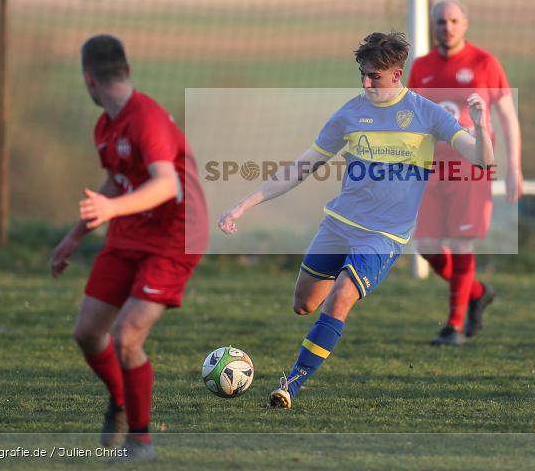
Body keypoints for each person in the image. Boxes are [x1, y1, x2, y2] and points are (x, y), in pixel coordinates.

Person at [218, 32, 493, 409]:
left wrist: (479, 125)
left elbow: (482, 159)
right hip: (338, 225)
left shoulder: (427, 113)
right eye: (362, 75)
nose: (366, 83)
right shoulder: (349, 113)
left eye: (374, 77)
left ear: (396, 74)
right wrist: (243, 206)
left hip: (384, 236)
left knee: (341, 297)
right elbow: (301, 167)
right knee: (303, 304)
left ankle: (291, 384)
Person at [50, 35, 208, 461]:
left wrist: (110, 208)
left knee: (127, 336)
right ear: (126, 70)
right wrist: (75, 235)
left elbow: (166, 184)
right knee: (87, 333)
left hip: (176, 234)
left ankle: (141, 443)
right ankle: (120, 399)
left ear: (88, 79)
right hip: (131, 230)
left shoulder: (147, 119)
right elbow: (116, 182)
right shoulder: (105, 126)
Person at [408, 0, 523, 346]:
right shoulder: (422, 67)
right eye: (441, 22)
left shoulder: (485, 63)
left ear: (465, 23)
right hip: (431, 168)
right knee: (427, 246)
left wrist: (515, 164)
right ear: (433, 26)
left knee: (461, 244)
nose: (448, 27)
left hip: (471, 167)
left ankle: (454, 325)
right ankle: (477, 292)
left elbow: (507, 117)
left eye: (454, 20)